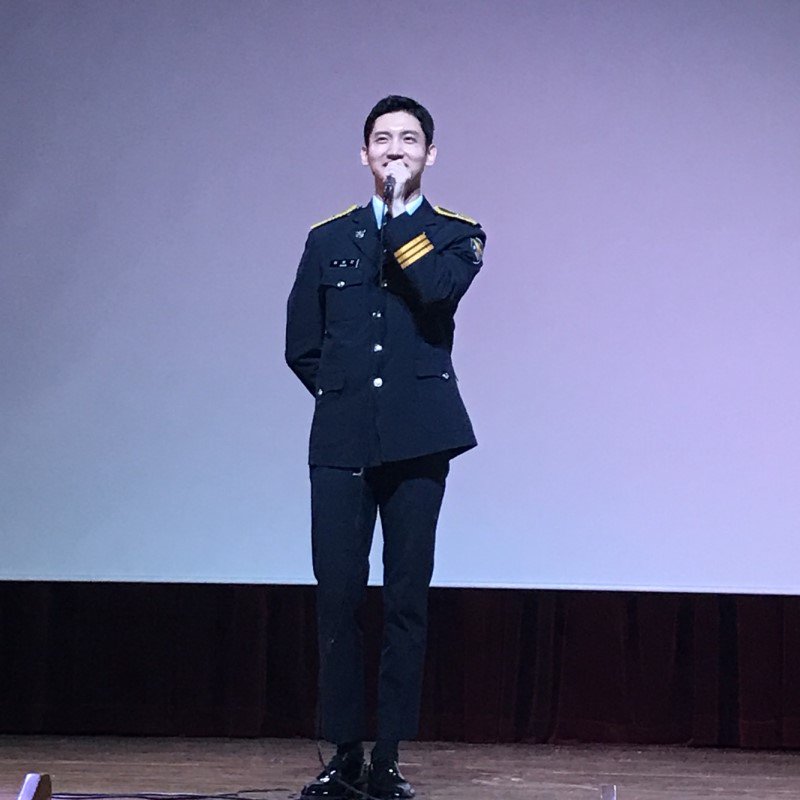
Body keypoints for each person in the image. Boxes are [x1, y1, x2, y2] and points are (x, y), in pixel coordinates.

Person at [285, 95, 485, 800]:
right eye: (382, 139)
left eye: (408, 139)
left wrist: (400, 217)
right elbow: (302, 344)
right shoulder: (326, 238)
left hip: (420, 441)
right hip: (342, 441)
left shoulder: (456, 235)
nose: (394, 149)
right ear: (363, 154)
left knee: (405, 600)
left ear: (431, 154)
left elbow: (435, 292)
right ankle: (343, 754)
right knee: (338, 599)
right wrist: (348, 399)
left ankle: (389, 757)